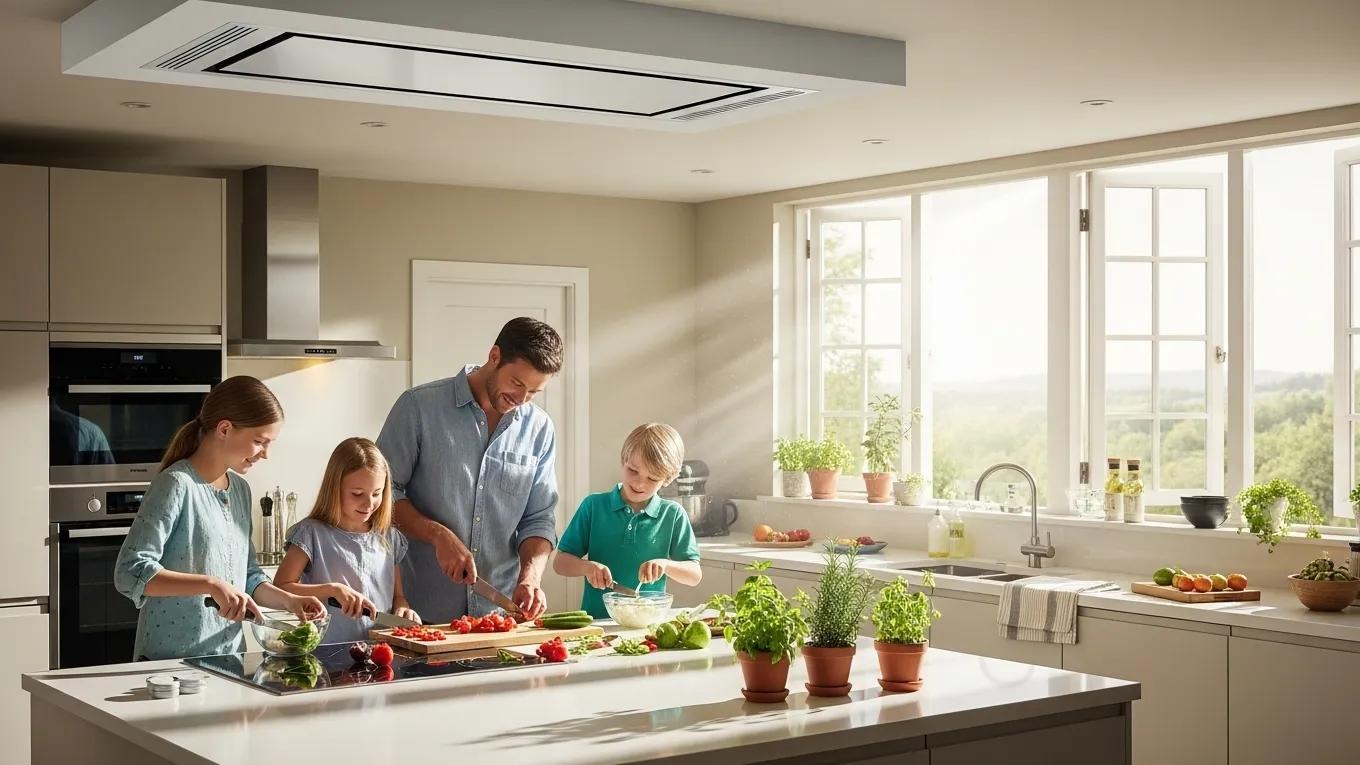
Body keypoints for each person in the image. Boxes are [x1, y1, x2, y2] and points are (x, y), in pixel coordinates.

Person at [115, 376, 325, 660]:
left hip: (228, 660)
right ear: (224, 429)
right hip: (170, 664)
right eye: (259, 442)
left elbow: (249, 576)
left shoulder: (240, 490)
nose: (265, 454)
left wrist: (291, 601)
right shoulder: (176, 484)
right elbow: (130, 572)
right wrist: (211, 584)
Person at [377, 317, 562, 623]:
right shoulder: (418, 407)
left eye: (533, 392)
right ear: (494, 356)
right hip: (419, 614)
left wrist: (530, 577)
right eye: (517, 383)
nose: (521, 399)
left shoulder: (540, 428)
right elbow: (381, 496)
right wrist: (437, 535)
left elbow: (539, 517)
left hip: (498, 618)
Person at [273, 437, 421, 642]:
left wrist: (403, 609)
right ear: (335, 488)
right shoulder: (311, 533)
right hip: (326, 652)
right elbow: (280, 588)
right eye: (357, 494)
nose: (369, 504)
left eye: (376, 493)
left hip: (380, 653)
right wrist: (333, 590)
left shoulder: (388, 537)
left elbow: (398, 597)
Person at [553, 423, 702, 618]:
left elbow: (694, 575)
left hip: (647, 626)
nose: (639, 483)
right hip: (596, 624)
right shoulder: (593, 506)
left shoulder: (673, 514)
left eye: (652, 478)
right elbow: (560, 563)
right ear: (623, 460)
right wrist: (587, 568)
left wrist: (665, 565)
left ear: (668, 478)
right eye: (633, 470)